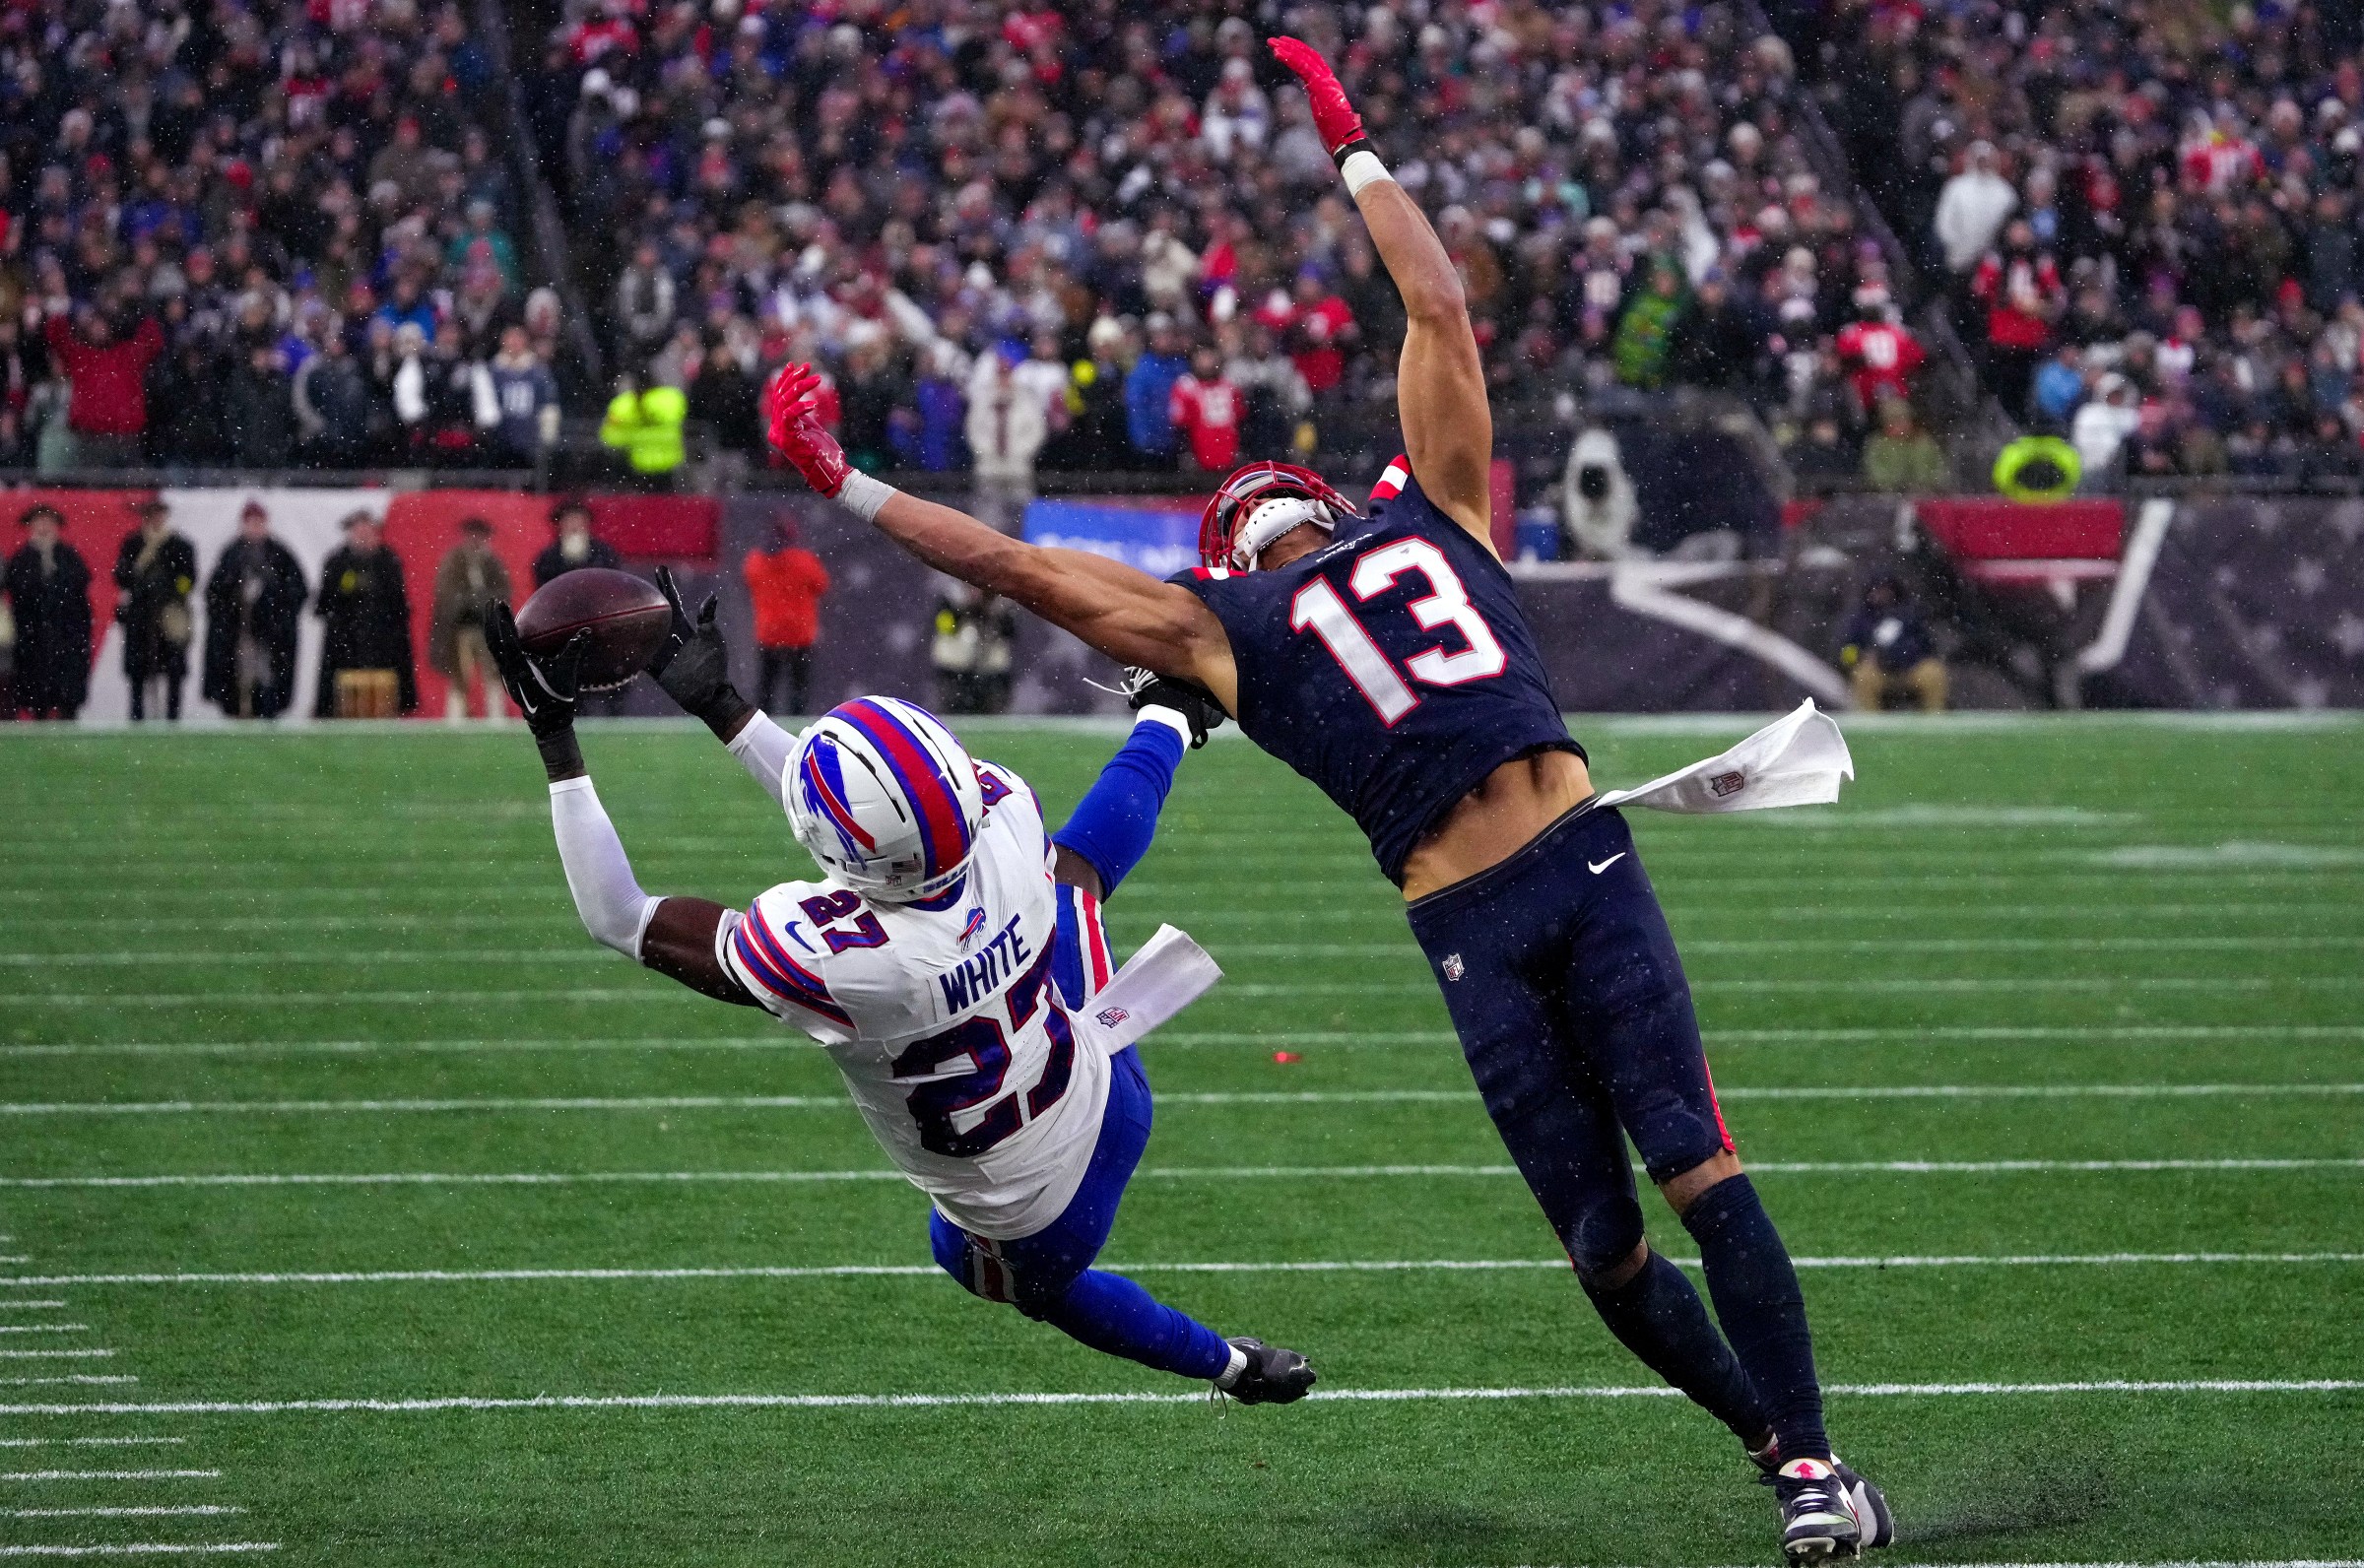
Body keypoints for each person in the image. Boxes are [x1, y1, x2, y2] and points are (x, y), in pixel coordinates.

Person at [760, 37, 1891, 1563]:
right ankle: (1784, 1451)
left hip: (1540, 882)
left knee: (1686, 1179)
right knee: (1614, 1246)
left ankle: (1813, 1463)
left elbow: (1034, 563)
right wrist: (1353, 147)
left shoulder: (1292, 593)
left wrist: (847, 487)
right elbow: (1424, 311)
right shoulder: (1354, 564)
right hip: (1500, 907)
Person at [480, 571, 1315, 1405]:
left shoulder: (848, 963)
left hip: (1038, 1213)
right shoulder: (1006, 820)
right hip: (1106, 1081)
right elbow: (880, 833)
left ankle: (1231, 1365)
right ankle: (1170, 710)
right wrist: (724, 706)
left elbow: (619, 917)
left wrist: (553, 734)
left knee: (1014, 1278)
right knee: (1069, 880)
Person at [201, 499, 308, 719]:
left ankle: (266, 711)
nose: (255, 527)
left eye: (259, 522)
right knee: (238, 675)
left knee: (268, 675)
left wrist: (273, 603)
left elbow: (298, 590)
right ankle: (239, 711)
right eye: (250, 522)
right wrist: (235, 599)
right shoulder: (231, 554)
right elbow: (215, 592)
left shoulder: (280, 554)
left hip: (271, 634)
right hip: (238, 631)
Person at [314, 509, 418, 719]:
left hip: (382, 641)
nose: (362, 535)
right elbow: (326, 602)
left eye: (367, 530)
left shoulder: (388, 561)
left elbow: (398, 602)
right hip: (345, 642)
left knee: (385, 689)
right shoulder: (337, 562)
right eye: (357, 530)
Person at [4, 505, 93, 720]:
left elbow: (79, 588)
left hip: (67, 637)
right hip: (33, 637)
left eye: (48, 522)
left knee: (68, 697)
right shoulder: (21, 559)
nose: (43, 527)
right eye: (39, 522)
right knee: (36, 697)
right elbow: (18, 592)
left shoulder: (69, 556)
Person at [113, 498, 198, 722]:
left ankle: (173, 717)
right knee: (138, 669)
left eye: (158, 514)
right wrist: (140, 586)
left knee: (174, 666)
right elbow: (121, 576)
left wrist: (173, 591)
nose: (155, 519)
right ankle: (136, 716)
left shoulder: (179, 544)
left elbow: (188, 579)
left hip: (171, 610)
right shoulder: (133, 544)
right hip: (141, 612)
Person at [742, 521, 829, 716]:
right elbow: (822, 585)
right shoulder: (804, 561)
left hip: (769, 633)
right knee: (798, 688)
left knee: (766, 687)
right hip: (799, 633)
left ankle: (763, 726)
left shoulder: (755, 561)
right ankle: (797, 728)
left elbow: (749, 580)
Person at [430, 517, 512, 722]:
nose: (476, 540)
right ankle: (455, 718)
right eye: (472, 535)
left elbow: (503, 594)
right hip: (459, 629)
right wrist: (475, 601)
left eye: (480, 535)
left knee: (493, 675)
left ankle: (496, 718)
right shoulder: (453, 561)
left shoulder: (493, 562)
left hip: (487, 629)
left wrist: (478, 602)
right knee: (459, 676)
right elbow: (447, 594)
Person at [1840, 576, 1946, 712]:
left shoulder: (1910, 614)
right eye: (1877, 590)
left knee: (1933, 673)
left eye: (1885, 590)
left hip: (1912, 669)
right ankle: (1870, 725)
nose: (1880, 594)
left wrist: (1909, 655)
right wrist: (1859, 658)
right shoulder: (1860, 619)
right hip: (1877, 671)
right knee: (1863, 677)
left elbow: (1928, 645)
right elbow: (1848, 648)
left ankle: (1935, 721)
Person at [931, 584, 1017, 716]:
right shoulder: (951, 597)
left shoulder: (1001, 602)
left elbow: (1010, 632)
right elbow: (945, 627)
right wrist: (963, 609)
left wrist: (990, 611)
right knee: (952, 713)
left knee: (992, 715)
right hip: (954, 667)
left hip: (991, 670)